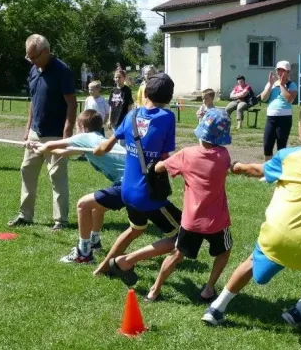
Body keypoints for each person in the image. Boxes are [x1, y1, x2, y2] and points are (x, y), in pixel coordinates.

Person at [201, 102, 301, 327]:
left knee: (253, 262)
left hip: (276, 241)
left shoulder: (287, 157)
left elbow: (257, 170)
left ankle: (216, 308)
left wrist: (236, 166)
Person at [120, 108, 234, 303]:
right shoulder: (224, 156)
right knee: (224, 251)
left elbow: (158, 168)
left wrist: (157, 164)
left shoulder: (186, 155)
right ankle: (208, 289)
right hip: (217, 221)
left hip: (191, 221)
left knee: (176, 254)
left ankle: (154, 290)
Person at [92, 73, 182, 280]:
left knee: (136, 228)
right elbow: (165, 157)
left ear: (146, 92)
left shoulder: (131, 115)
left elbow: (105, 147)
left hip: (127, 191)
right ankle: (125, 261)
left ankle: (102, 268)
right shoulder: (167, 117)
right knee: (182, 237)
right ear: (169, 97)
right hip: (148, 193)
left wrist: (96, 150)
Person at [34, 109, 127, 264]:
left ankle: (83, 253)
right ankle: (94, 242)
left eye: (77, 127)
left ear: (82, 127)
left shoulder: (85, 137)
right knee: (97, 207)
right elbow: (63, 152)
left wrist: (43, 147)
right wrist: (38, 147)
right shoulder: (95, 139)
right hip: (133, 181)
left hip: (128, 183)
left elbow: (51, 144)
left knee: (83, 205)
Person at [9, 34, 77, 232]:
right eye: (28, 57)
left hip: (55, 135)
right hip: (35, 133)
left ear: (46, 52)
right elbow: (33, 100)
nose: (31, 61)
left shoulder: (63, 71)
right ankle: (25, 215)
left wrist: (66, 134)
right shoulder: (33, 69)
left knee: (57, 177)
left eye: (34, 57)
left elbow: (72, 104)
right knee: (27, 171)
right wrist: (27, 128)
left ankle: (60, 220)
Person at [259, 60, 297, 160]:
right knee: (267, 145)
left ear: (288, 72)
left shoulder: (291, 84)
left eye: (283, 70)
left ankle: (280, 167)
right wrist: (270, 84)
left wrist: (282, 84)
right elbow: (263, 98)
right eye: (278, 70)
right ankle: (268, 167)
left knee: (281, 147)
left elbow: (289, 99)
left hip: (284, 119)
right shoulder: (271, 84)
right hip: (271, 118)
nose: (280, 73)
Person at [107, 68, 134, 135]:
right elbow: (111, 107)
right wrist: (109, 120)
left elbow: (129, 106)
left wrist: (128, 119)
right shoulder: (113, 91)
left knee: (122, 139)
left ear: (124, 78)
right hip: (114, 119)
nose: (117, 79)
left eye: (119, 77)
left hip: (123, 119)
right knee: (115, 138)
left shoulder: (127, 90)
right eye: (116, 77)